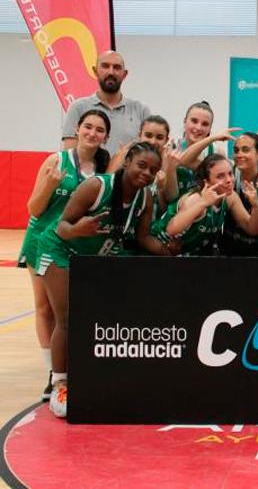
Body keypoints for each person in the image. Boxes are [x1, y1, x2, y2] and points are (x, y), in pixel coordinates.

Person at [35, 142, 165, 417]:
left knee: (104, 314)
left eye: (153, 170)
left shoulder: (145, 198)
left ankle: (91, 374)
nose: (147, 173)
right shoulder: (97, 186)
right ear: (127, 161)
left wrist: (172, 253)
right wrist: (80, 230)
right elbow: (62, 227)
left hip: (94, 257)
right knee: (67, 317)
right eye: (141, 165)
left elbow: (143, 238)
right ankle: (60, 383)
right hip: (59, 249)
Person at [18, 109, 111, 402]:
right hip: (42, 240)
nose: (92, 133)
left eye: (99, 129)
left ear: (105, 136)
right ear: (77, 129)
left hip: (73, 244)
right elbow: (33, 208)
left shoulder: (100, 171)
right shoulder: (56, 161)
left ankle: (69, 366)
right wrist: (49, 185)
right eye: (88, 127)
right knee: (45, 308)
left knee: (68, 311)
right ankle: (52, 374)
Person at [152, 154, 258, 256]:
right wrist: (202, 203)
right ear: (207, 182)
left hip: (185, 254)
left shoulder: (230, 197)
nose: (229, 180)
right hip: (156, 248)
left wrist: (255, 206)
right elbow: (171, 229)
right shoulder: (195, 199)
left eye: (230, 173)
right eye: (220, 176)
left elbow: (252, 229)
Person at [62, 51, 150, 154]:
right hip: (87, 171)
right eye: (105, 66)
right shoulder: (78, 107)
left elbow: (149, 153)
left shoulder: (141, 110)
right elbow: (69, 157)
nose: (111, 72)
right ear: (95, 71)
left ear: (124, 74)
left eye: (117, 67)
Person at [220, 132, 258, 256]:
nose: (239, 154)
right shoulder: (228, 175)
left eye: (245, 150)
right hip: (225, 251)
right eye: (236, 150)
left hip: (254, 255)